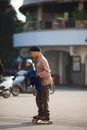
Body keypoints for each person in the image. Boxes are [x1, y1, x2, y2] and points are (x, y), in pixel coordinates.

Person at [30, 46, 53, 121]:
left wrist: (37, 74)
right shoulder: (38, 59)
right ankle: (40, 114)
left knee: (44, 100)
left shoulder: (43, 60)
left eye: (32, 52)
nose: (31, 54)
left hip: (45, 83)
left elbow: (47, 72)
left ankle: (46, 116)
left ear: (37, 52)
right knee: (38, 99)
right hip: (40, 83)